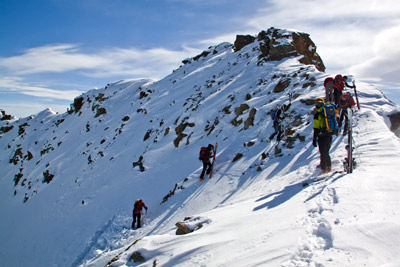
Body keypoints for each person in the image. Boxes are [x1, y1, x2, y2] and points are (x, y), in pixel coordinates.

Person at [312, 98, 333, 174]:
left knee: (322, 152)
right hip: (330, 134)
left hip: (322, 135)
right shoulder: (329, 112)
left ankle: (324, 169)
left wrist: (314, 139)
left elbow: (316, 128)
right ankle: (329, 166)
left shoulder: (318, 115)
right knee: (326, 151)